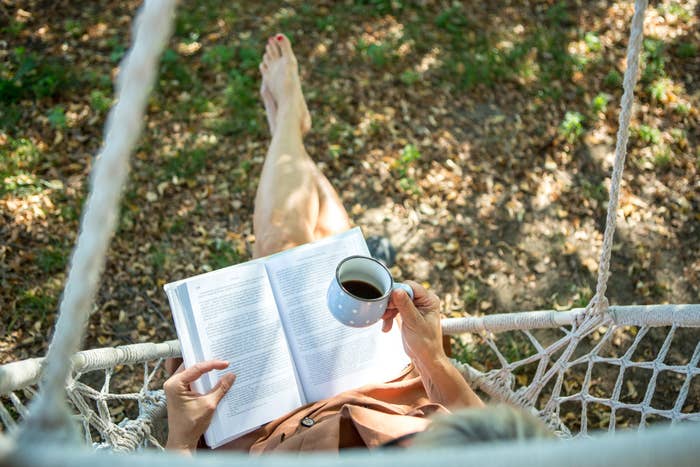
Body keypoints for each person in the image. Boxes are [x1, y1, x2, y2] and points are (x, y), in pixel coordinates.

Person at [163, 33, 487, 455]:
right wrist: (432, 361)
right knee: (322, 261)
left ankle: (288, 128)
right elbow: (496, 445)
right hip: (395, 400)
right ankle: (289, 131)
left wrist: (180, 440)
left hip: (274, 430)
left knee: (285, 245)